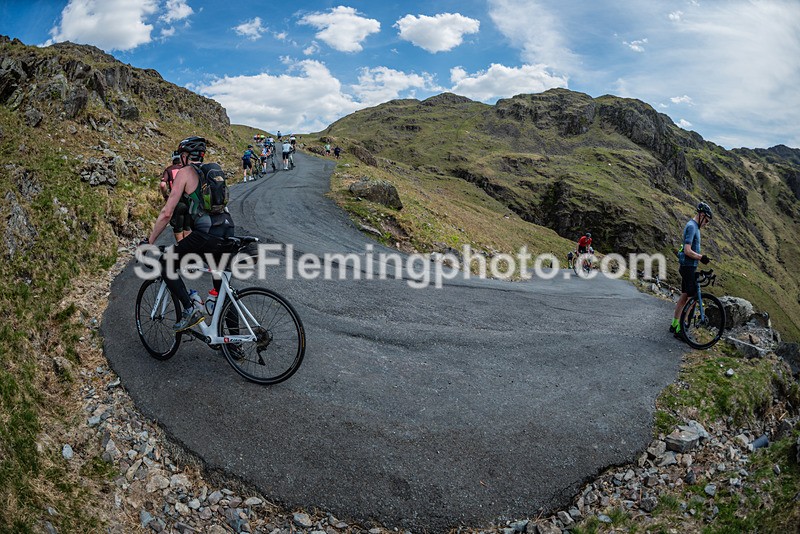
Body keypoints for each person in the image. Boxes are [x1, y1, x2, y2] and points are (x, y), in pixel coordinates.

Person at [142, 136, 235, 332]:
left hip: (207, 233)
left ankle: (190, 309)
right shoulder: (214, 171)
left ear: (184, 156)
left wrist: (149, 241)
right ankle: (234, 345)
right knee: (222, 289)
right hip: (227, 228)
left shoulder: (184, 173)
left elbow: (167, 212)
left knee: (166, 263)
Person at [671, 202, 713, 338]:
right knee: (692, 298)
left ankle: (674, 324)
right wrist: (702, 257)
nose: (706, 223)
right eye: (706, 220)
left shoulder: (694, 227)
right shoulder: (691, 227)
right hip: (688, 266)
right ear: (701, 215)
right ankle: (682, 330)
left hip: (688, 266)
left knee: (684, 296)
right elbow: (688, 250)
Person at [159, 151, 191, 241]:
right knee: (187, 228)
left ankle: (182, 252)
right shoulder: (186, 169)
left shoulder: (169, 170)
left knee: (178, 230)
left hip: (176, 203)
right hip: (188, 201)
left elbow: (162, 185)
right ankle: (190, 251)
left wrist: (166, 196)